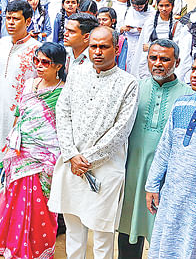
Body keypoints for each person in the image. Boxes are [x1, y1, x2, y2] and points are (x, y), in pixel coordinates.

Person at [48, 27, 139, 259]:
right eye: (93, 46)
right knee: (74, 232)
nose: (97, 52)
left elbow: (121, 130)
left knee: (101, 234)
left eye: (104, 47)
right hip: (72, 164)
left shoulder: (128, 83)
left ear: (116, 49)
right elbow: (63, 111)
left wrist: (87, 159)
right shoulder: (77, 73)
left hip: (105, 169)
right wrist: (70, 154)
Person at [0, 42, 66, 259]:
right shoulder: (30, 83)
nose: (39, 66)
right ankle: (12, 244)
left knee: (40, 203)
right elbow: (20, 114)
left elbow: (62, 126)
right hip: (21, 151)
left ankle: (38, 248)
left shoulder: (63, 91)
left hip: (47, 155)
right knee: (16, 200)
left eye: (45, 62)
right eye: (36, 61)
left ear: (58, 66)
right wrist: (12, 139)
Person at [117, 39, 192, 258]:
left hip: (166, 179)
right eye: (153, 58)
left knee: (163, 236)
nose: (158, 63)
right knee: (127, 229)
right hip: (131, 173)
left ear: (177, 62)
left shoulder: (188, 96)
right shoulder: (134, 88)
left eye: (165, 59)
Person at [144, 47, 196, 258]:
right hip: (172, 201)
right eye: (193, 68)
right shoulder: (181, 105)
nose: (194, 74)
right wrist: (152, 185)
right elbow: (165, 149)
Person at [0, 0, 41, 222]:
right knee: (1, 159)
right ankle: (4, 211)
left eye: (16, 18)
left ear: (28, 21)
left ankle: (18, 214)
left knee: (20, 165)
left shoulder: (37, 49)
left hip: (23, 118)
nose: (10, 23)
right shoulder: (1, 44)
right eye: (8, 18)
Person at [136, 0, 192, 80]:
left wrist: (151, 46)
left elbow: (177, 45)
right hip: (151, 62)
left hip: (168, 62)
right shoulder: (150, 23)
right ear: (157, 6)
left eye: (167, 5)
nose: (164, 9)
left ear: (172, 6)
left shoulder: (177, 25)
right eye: (161, 5)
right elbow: (144, 47)